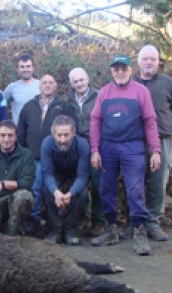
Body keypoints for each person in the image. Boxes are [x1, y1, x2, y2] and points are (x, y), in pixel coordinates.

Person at [89, 54, 162, 256]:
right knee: (106, 189)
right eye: (116, 69)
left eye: (124, 68)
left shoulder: (141, 92)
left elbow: (150, 121)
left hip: (133, 147)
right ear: (111, 71)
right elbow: (95, 121)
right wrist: (95, 150)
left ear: (131, 70)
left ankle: (139, 231)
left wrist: (155, 150)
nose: (120, 72)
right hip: (108, 148)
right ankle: (111, 229)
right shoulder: (104, 93)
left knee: (135, 190)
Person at [133, 44, 172, 241]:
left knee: (158, 182)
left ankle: (153, 222)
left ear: (158, 61)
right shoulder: (130, 83)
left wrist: (166, 130)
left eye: (153, 59)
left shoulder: (168, 83)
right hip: (134, 141)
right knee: (134, 182)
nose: (149, 62)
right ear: (138, 61)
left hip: (161, 141)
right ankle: (135, 222)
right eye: (145, 59)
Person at [17, 74, 75, 230]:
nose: (48, 85)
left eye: (51, 82)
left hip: (55, 157)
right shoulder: (29, 106)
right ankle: (33, 220)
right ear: (39, 86)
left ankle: (53, 223)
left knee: (51, 189)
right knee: (34, 188)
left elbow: (70, 131)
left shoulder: (63, 106)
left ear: (55, 86)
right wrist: (22, 154)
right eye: (44, 83)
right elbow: (21, 132)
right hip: (33, 157)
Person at [67, 67, 106, 237]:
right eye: (75, 81)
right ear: (71, 84)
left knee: (98, 186)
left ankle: (99, 222)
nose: (79, 84)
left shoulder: (99, 97)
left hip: (97, 147)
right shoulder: (68, 101)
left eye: (81, 80)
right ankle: (82, 218)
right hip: (77, 149)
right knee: (79, 185)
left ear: (87, 79)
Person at [40, 115, 90, 245]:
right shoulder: (46, 143)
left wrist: (70, 193)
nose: (62, 139)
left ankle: (69, 229)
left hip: (75, 172)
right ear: (53, 134)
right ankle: (54, 229)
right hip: (56, 172)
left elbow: (82, 176)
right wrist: (56, 192)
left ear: (73, 133)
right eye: (59, 135)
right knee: (47, 190)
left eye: (66, 135)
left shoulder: (82, 145)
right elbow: (47, 173)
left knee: (82, 192)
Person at [3, 53, 40, 125]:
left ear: (33, 68)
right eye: (22, 67)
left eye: (28, 66)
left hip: (37, 132)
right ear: (18, 69)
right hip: (18, 132)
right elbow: (0, 105)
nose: (25, 69)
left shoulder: (41, 85)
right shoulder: (11, 88)